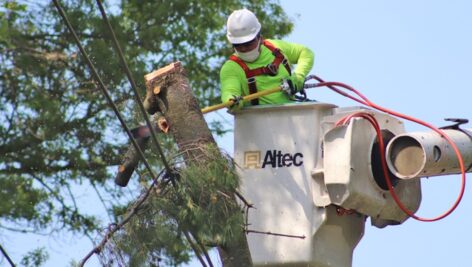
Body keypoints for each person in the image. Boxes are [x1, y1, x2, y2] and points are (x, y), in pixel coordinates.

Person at [220, 8, 314, 110]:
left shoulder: (275, 47)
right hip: (260, 122)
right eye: (238, 45)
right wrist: (231, 101)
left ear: (260, 38)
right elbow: (229, 91)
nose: (243, 49)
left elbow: (306, 53)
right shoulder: (231, 68)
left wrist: (299, 77)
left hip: (293, 115)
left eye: (248, 44)